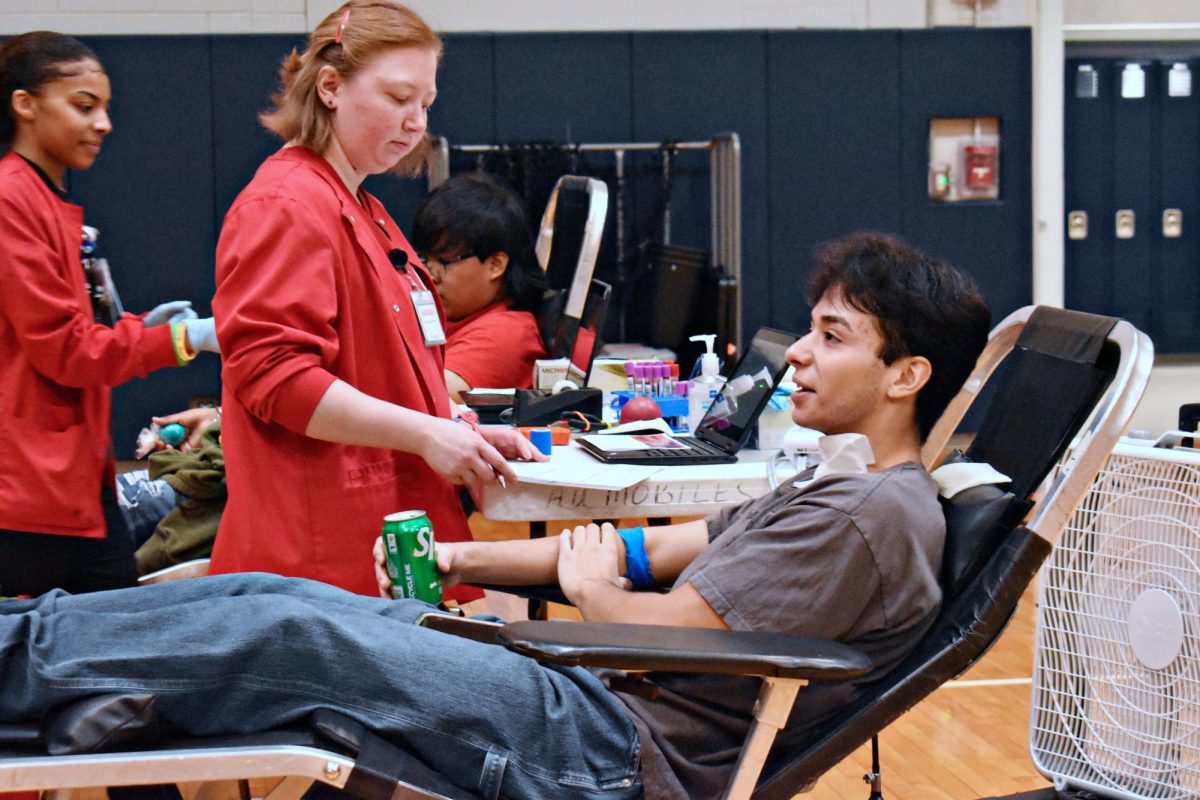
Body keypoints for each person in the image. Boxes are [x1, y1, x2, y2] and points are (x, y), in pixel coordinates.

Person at [0, 232, 991, 799]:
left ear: (906, 373)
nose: (800, 356)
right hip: (592, 702)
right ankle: (66, 669)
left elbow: (667, 621)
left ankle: (31, 665)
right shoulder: (835, 479)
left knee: (293, 633)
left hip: (610, 747)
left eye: (832, 336)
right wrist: (460, 553)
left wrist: (591, 590)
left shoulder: (869, 513)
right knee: (282, 596)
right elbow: (659, 548)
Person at [206, 0, 540, 603]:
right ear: (330, 87)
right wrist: (426, 434)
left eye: (426, 104)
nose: (416, 122)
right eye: (398, 97)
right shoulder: (285, 203)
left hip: (385, 536)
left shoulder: (362, 205)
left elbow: (388, 370)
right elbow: (274, 376)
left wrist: (458, 425)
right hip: (318, 555)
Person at [0, 31, 220, 599]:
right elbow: (66, 350)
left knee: (117, 638)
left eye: (104, 108)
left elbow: (74, 333)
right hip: (26, 487)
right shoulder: (11, 200)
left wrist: (139, 329)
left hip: (72, 476)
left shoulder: (47, 200)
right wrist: (180, 339)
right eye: (83, 106)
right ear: (24, 105)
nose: (103, 124)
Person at [410, 172, 549, 401]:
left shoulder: (507, 333)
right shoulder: (455, 316)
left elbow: (424, 397)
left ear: (495, 265)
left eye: (444, 262)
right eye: (425, 259)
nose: (429, 275)